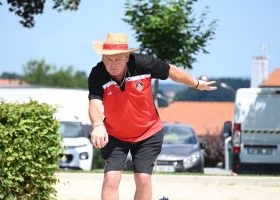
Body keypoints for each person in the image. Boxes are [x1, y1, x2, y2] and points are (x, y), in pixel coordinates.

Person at [88, 32, 217, 200]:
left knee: (142, 178)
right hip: (114, 135)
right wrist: (98, 125)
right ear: (103, 57)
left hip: (148, 133)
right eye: (108, 59)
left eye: (117, 59)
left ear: (127, 56)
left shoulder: (143, 63)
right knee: (111, 178)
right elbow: (94, 104)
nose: (112, 64)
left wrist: (197, 84)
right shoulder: (97, 74)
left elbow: (172, 71)